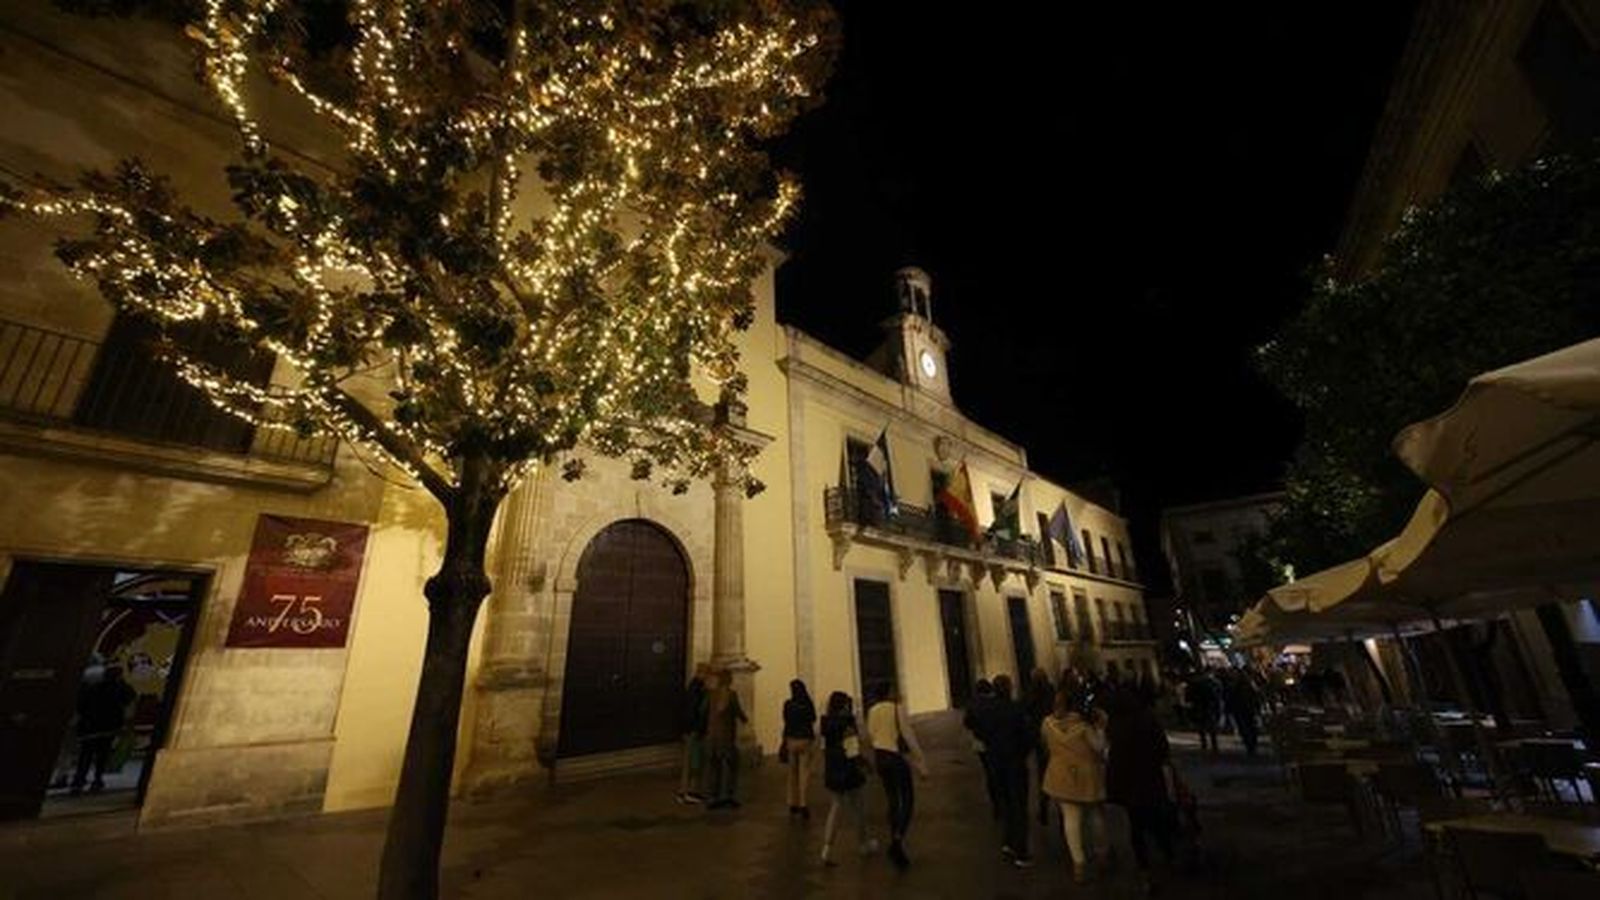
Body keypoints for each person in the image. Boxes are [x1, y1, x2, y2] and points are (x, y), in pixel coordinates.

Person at [1106, 686, 1177, 893]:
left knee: (1136, 826)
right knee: (1158, 818)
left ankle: (1144, 870)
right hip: (1150, 778)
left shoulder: (1114, 725)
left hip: (1127, 784)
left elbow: (1111, 755)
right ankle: (1168, 854)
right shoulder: (1148, 719)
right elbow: (1163, 749)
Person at [965, 673, 1034, 868]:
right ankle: (1021, 851)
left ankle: (1008, 842)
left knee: (1005, 802)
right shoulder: (1016, 709)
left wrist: (989, 744)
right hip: (1014, 763)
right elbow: (1028, 737)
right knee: (1019, 806)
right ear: (1010, 688)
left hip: (995, 761)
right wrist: (1021, 752)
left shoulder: (987, 710)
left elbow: (975, 727)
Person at [1042, 687, 1109, 884]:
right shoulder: (1084, 726)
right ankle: (1102, 852)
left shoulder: (1047, 723)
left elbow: (1045, 745)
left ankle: (1078, 862)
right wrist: (1101, 728)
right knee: (1096, 814)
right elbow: (1099, 747)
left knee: (1070, 819)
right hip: (1087, 775)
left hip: (1061, 774)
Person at [865, 682, 926, 870]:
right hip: (893, 756)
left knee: (892, 799)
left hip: (880, 757)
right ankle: (897, 839)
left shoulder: (872, 710)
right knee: (907, 799)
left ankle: (895, 839)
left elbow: (870, 735)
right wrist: (920, 760)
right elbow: (907, 734)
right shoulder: (896, 708)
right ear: (889, 693)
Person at [818, 691, 878, 865]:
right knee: (858, 807)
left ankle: (826, 849)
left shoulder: (825, 723)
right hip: (849, 770)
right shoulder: (847, 723)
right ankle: (863, 843)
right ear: (844, 706)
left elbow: (823, 748)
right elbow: (853, 750)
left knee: (835, 807)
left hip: (833, 768)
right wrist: (865, 764)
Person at [72, 665, 135, 794]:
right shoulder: (119, 689)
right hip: (108, 727)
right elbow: (130, 697)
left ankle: (78, 781)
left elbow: (81, 705)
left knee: (85, 755)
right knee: (102, 755)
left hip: (90, 727)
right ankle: (97, 780)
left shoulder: (93, 688)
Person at [704, 668, 747, 810]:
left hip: (712, 736)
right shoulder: (731, 695)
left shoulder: (711, 695)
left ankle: (713, 797)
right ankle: (728, 795)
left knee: (714, 767)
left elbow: (703, 711)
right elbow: (738, 711)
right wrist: (744, 719)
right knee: (731, 766)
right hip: (726, 737)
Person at [1023, 667, 1056, 826]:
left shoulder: (1031, 693)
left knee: (1042, 772)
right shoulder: (1051, 690)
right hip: (1053, 733)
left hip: (1039, 736)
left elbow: (1026, 709)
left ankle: (1043, 808)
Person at [966, 679, 1002, 820]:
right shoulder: (994, 703)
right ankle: (1001, 800)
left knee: (989, 773)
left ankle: (996, 804)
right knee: (998, 771)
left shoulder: (973, 704)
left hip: (980, 743)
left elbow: (967, 722)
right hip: (995, 741)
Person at [783, 679, 818, 818]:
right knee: (804, 773)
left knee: (792, 774)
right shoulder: (808, 704)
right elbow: (813, 718)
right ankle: (803, 803)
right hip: (805, 739)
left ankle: (792, 802)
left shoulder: (788, 704)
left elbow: (785, 720)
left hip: (791, 739)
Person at [676, 665, 710, 804]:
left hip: (692, 730)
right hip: (692, 731)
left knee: (692, 761)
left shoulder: (695, 687)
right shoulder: (696, 689)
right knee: (691, 762)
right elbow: (693, 712)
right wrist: (694, 730)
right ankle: (686, 792)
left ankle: (688, 792)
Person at [1223, 669, 1263, 757]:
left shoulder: (1235, 686)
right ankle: (1252, 745)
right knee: (1251, 727)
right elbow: (1257, 697)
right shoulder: (1250, 685)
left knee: (1245, 728)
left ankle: (1250, 745)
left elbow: (1230, 699)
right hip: (1247, 709)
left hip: (1241, 710)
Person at [1184, 670, 1221, 752]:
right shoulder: (1210, 683)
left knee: (1201, 726)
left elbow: (1189, 697)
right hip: (1209, 707)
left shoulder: (1193, 684)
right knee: (1211, 726)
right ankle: (1214, 744)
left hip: (1199, 707)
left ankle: (1204, 743)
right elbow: (1215, 696)